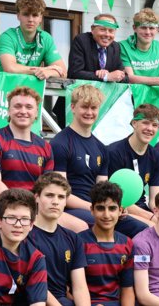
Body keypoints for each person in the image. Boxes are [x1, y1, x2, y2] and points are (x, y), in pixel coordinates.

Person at [0, 86, 87, 233]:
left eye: (29, 107)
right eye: (17, 106)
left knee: (81, 227)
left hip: (37, 210)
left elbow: (48, 187)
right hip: (6, 209)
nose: (23, 111)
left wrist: (34, 209)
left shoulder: (45, 147)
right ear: (9, 110)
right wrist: (22, 209)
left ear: (36, 112)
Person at [53, 84, 149, 237]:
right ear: (73, 107)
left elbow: (102, 189)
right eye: (85, 107)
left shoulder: (101, 148)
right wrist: (96, 207)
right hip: (72, 209)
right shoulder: (60, 143)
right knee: (90, 228)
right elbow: (61, 194)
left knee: (143, 230)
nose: (89, 112)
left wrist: (114, 205)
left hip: (97, 207)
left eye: (94, 108)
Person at [28, 173, 90, 306]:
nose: (55, 201)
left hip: (62, 300)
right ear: (36, 197)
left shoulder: (73, 238)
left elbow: (80, 287)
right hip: (32, 299)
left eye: (61, 197)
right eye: (49, 195)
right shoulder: (24, 234)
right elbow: (34, 284)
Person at [107, 104, 159, 227]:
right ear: (134, 124)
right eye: (145, 123)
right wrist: (151, 218)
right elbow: (117, 199)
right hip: (118, 210)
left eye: (154, 125)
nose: (150, 129)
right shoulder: (114, 152)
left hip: (142, 208)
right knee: (153, 229)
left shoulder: (157, 156)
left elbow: (154, 200)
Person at [78, 181, 135, 306]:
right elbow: (68, 290)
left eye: (112, 208)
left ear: (120, 211)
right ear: (92, 210)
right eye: (100, 208)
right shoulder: (78, 242)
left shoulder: (127, 244)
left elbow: (127, 289)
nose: (106, 215)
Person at [0, 0, 66, 80]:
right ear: (18, 16)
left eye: (35, 15)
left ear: (41, 18)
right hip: (3, 89)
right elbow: (10, 68)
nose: (30, 19)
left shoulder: (46, 38)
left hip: (28, 91)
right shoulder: (7, 36)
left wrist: (49, 72)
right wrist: (42, 70)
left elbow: (63, 71)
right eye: (26, 14)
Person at [120, 8, 159, 90]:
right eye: (143, 27)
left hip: (155, 98)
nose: (148, 32)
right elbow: (129, 78)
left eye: (151, 28)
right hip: (131, 96)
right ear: (134, 28)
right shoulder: (123, 46)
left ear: (157, 30)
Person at [68, 14, 126, 82]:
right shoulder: (82, 41)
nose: (107, 34)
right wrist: (106, 77)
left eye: (111, 31)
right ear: (92, 29)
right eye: (102, 29)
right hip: (84, 91)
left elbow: (124, 77)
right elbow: (74, 73)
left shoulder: (115, 47)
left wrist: (117, 76)